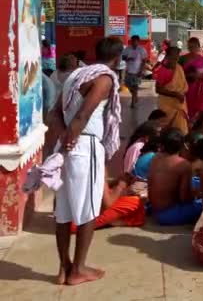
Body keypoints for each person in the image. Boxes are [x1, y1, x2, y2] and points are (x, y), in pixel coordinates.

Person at [51, 36, 123, 285]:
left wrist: (63, 139)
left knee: (63, 212)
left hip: (67, 144)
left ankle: (64, 268)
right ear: (118, 58)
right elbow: (83, 116)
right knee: (88, 210)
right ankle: (79, 269)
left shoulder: (75, 76)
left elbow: (55, 113)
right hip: (84, 145)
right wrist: (72, 137)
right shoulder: (103, 79)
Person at [148, 128, 201, 225]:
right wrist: (196, 195)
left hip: (155, 210)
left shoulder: (155, 158)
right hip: (169, 215)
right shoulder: (183, 164)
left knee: (194, 181)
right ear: (182, 145)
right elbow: (185, 198)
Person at [70, 174, 145, 233]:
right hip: (75, 223)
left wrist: (116, 182)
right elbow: (107, 203)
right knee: (135, 202)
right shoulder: (95, 163)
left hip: (73, 214)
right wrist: (121, 186)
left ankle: (116, 221)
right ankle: (115, 221)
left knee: (137, 205)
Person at [154, 46, 189, 134]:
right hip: (167, 106)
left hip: (179, 105)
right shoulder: (163, 70)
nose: (175, 60)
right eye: (173, 58)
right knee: (165, 130)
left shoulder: (179, 68)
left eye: (177, 58)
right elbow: (158, 89)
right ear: (168, 57)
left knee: (180, 132)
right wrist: (176, 94)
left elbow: (183, 86)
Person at [180, 37, 203, 119]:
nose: (192, 48)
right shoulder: (182, 59)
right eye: (190, 46)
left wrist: (201, 76)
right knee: (189, 111)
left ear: (198, 47)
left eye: (194, 46)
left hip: (201, 89)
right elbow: (178, 73)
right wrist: (189, 75)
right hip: (188, 88)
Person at [123, 35, 148, 108]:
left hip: (137, 71)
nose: (133, 42)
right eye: (132, 41)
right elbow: (123, 57)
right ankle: (135, 96)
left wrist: (141, 70)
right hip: (129, 70)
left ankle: (133, 103)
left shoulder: (141, 49)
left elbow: (144, 61)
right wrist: (128, 59)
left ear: (138, 41)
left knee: (135, 87)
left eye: (135, 41)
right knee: (128, 85)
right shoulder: (127, 49)